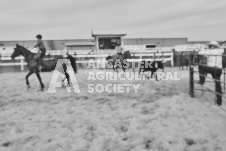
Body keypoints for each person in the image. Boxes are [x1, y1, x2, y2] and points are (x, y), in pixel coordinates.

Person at [198, 41, 224, 106]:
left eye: (210, 46)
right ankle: (219, 100)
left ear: (213, 46)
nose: (209, 47)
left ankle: (202, 80)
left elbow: (200, 52)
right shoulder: (220, 51)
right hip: (219, 69)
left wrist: (204, 50)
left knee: (201, 66)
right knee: (217, 83)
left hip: (212, 68)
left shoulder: (212, 51)